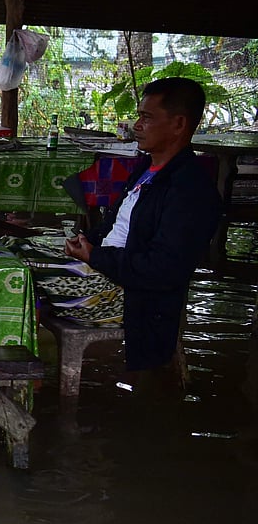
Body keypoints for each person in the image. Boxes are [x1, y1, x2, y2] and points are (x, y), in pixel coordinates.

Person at [60, 77, 223, 370]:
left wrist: (95, 256)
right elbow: (117, 228)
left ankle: (16, 376)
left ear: (178, 124)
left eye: (146, 118)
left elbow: (161, 270)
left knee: (27, 282)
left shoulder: (190, 190)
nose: (136, 125)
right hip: (107, 269)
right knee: (20, 251)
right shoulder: (146, 169)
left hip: (133, 297)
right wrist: (88, 242)